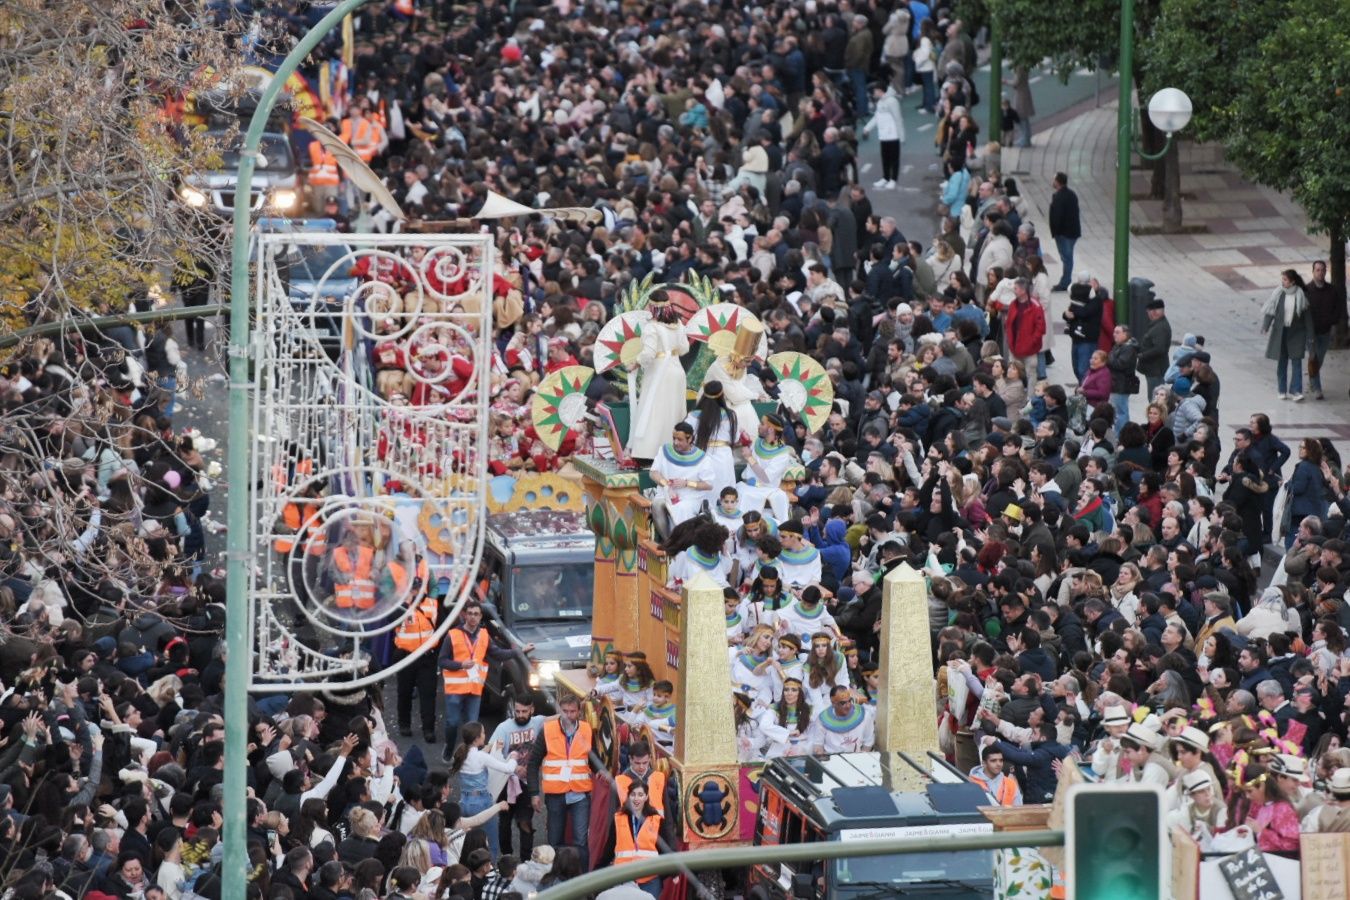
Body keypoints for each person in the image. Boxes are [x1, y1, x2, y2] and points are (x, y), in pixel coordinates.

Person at [437, 601, 518, 761]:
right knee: (452, 723)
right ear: (465, 615)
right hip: (455, 689)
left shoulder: (483, 635)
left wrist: (518, 652)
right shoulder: (453, 635)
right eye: (470, 613)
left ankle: (469, 757)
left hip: (474, 688)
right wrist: (460, 665)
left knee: (473, 725)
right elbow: (442, 661)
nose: (473, 617)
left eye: (476, 614)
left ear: (481, 616)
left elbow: (497, 653)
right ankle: (449, 748)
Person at [527, 694, 594, 870]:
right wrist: (534, 793)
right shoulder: (547, 730)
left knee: (581, 841)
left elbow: (593, 759)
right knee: (555, 840)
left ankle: (583, 881)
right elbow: (533, 763)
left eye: (572, 712)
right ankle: (556, 878)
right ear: (559, 711)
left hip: (580, 794)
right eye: (565, 712)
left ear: (579, 712)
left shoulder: (587, 730)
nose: (568, 715)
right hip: (556, 795)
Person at [628, 291, 691, 459]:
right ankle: (672, 450)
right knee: (673, 410)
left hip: (659, 373)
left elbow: (648, 353)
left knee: (654, 410)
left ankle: (650, 452)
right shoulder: (678, 323)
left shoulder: (652, 327)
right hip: (677, 371)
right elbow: (685, 348)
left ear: (652, 306)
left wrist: (636, 362)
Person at [649, 422, 718, 531]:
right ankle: (669, 542)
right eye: (674, 438)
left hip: (690, 497)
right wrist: (666, 485)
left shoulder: (703, 458)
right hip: (666, 493)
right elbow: (653, 473)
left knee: (682, 508)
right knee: (657, 504)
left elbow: (708, 485)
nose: (675, 442)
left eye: (680, 439)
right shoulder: (664, 450)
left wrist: (687, 483)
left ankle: (681, 541)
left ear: (689, 439)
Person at [611, 780, 673, 897]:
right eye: (633, 794)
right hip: (623, 877)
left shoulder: (656, 820)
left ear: (646, 797)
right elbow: (609, 847)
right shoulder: (618, 818)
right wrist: (598, 869)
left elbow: (665, 848)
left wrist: (672, 872)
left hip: (650, 878)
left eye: (640, 795)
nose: (636, 799)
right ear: (628, 796)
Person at [1261, 269, 1312, 401]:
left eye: (1285, 280)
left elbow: (1307, 317)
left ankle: (1297, 391)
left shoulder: (1301, 296)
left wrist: (1310, 335)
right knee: (1282, 362)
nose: (1282, 282)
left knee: (1296, 362)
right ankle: (1282, 390)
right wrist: (1265, 326)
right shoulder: (1278, 294)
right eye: (1282, 279)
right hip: (1281, 332)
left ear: (1292, 281)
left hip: (1296, 333)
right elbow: (1271, 311)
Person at [1303, 260, 1339, 400]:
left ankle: (1312, 379)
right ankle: (1317, 388)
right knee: (1314, 357)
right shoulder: (1306, 291)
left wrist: (1332, 321)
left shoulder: (1332, 290)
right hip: (1310, 332)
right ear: (1313, 272)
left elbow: (1338, 307)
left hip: (1325, 331)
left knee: (1320, 358)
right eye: (1317, 270)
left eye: (1322, 270)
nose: (1320, 272)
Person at [805, 685, 875, 754]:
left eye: (849, 701)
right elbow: (818, 745)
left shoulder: (865, 715)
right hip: (832, 760)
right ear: (833, 703)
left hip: (856, 759)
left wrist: (861, 758)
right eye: (843, 703)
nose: (848, 705)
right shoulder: (822, 720)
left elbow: (868, 741)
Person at [863, 84, 905, 189]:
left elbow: (898, 118)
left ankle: (893, 179)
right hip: (883, 135)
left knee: (894, 159)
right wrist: (867, 128)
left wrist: (901, 136)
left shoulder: (892, 101)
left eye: (874, 91)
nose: (873, 94)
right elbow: (877, 117)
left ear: (879, 90)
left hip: (893, 135)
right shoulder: (880, 102)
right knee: (885, 158)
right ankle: (885, 177)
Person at [1048, 172, 1082, 291]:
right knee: (1067, 258)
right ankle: (1065, 280)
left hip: (1064, 233)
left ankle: (1065, 282)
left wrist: (1056, 231)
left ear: (1057, 182)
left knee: (1067, 258)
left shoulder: (1060, 197)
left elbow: (1058, 216)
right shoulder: (1070, 194)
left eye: (1054, 179)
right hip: (1071, 232)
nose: (1052, 182)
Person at [1107, 324, 1141, 435]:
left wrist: (1107, 358)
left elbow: (1120, 364)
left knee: (1120, 412)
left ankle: (1121, 435)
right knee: (1117, 411)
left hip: (1121, 385)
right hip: (1116, 384)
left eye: (1117, 332)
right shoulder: (1120, 346)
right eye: (1114, 332)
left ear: (1125, 334)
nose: (1114, 334)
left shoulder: (1128, 348)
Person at [1137, 299, 1172, 398]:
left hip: (1156, 370)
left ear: (1153, 312)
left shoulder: (1160, 328)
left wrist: (1142, 355)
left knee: (1155, 399)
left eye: (1148, 312)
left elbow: (1159, 349)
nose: (1148, 315)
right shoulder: (1158, 324)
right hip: (1154, 369)